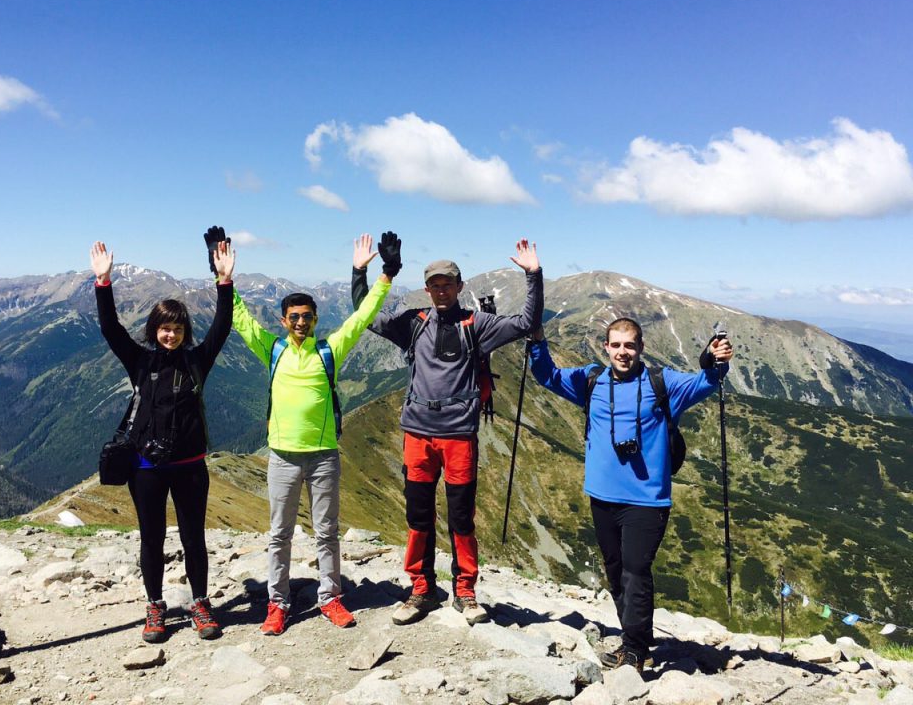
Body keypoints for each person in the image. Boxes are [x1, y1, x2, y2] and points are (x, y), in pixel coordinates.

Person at [352, 237, 543, 626]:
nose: (441, 290)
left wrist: (533, 275)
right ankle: (420, 589)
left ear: (459, 286)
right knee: (418, 517)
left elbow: (527, 322)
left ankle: (466, 591)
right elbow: (363, 313)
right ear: (427, 289)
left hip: (458, 436)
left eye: (448, 284)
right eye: (435, 285)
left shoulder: (478, 323)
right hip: (417, 434)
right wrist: (361, 272)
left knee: (462, 517)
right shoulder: (414, 323)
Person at [528, 317, 733, 672]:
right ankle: (636, 638)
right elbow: (546, 375)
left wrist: (714, 359)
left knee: (636, 570)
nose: (623, 352)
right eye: (616, 345)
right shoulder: (591, 382)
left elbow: (705, 381)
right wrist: (536, 339)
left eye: (630, 345)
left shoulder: (661, 382)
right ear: (605, 347)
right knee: (616, 571)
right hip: (602, 497)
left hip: (647, 499)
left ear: (641, 348)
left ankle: (635, 651)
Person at [227, 231, 399, 636]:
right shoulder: (272, 348)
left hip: (324, 455)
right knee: (280, 534)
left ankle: (330, 598)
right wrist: (225, 279)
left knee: (327, 531)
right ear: (283, 320)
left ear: (315, 319)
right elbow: (240, 320)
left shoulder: (329, 350)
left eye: (307, 316)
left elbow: (360, 319)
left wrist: (386, 274)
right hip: (282, 457)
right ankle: (278, 603)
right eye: (294, 317)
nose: (301, 322)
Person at [90, 239, 236, 644]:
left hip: (190, 466)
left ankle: (200, 603)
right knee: (151, 538)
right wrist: (103, 282)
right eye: (164, 327)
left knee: (194, 538)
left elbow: (222, 327)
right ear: (154, 330)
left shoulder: (196, 360)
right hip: (146, 467)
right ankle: (155, 607)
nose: (171, 334)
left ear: (186, 331)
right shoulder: (140, 361)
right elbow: (110, 329)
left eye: (177, 328)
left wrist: (225, 281)